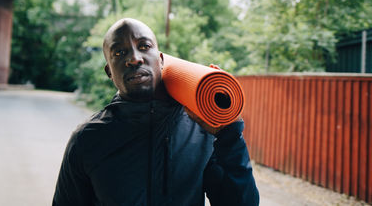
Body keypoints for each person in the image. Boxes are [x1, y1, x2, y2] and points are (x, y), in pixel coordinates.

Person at [52, 18, 259, 206]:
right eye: (119, 52)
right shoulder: (87, 139)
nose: (134, 58)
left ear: (160, 60)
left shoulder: (200, 128)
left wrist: (230, 135)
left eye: (144, 46)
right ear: (109, 72)